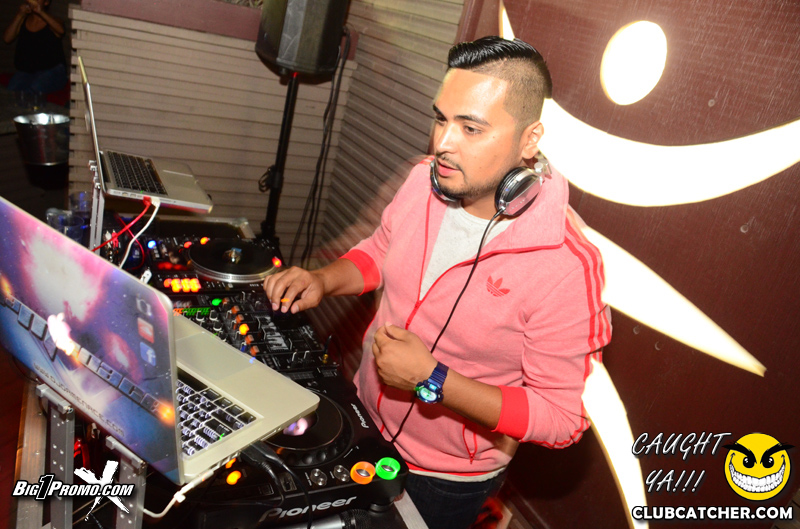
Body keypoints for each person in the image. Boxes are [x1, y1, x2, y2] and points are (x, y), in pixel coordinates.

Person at [264, 36, 612, 529]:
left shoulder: (566, 265)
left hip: (445, 477)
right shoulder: (423, 181)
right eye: (440, 119)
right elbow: (380, 250)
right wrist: (323, 280)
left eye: (470, 128)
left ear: (529, 139)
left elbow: (562, 417)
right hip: (362, 416)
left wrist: (433, 380)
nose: (443, 144)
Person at [3, 0, 67, 103]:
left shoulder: (52, 21)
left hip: (52, 71)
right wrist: (19, 15)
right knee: (10, 94)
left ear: (46, 2)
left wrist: (41, 12)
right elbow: (7, 39)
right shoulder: (23, 20)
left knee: (32, 92)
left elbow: (61, 31)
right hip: (27, 72)